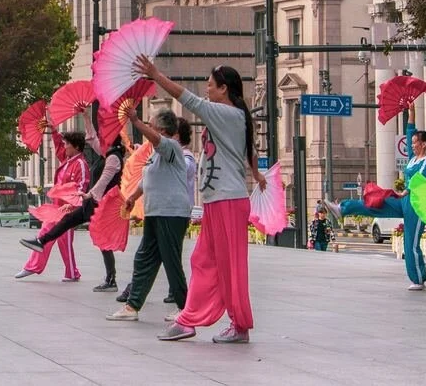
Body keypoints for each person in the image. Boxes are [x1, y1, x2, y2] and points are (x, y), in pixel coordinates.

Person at [135, 60, 265, 344]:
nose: (206, 88)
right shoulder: (231, 116)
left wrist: (156, 75)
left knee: (231, 267)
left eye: (210, 84)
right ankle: (190, 319)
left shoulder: (226, 113)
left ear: (223, 89)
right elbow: (250, 150)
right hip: (218, 200)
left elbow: (187, 98)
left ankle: (238, 325)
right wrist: (256, 174)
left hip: (229, 200)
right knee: (202, 259)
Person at [107, 108, 193, 322]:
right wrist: (133, 197)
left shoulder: (171, 148)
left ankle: (186, 307)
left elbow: (155, 139)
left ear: (162, 130)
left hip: (172, 212)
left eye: (151, 126)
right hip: (156, 212)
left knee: (171, 260)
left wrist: (136, 121)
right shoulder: (155, 155)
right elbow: (147, 180)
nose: (148, 130)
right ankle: (132, 306)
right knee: (144, 258)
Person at [22, 118, 125, 293]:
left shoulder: (113, 159)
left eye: (105, 136)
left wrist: (87, 195)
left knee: (102, 241)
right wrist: (85, 115)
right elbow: (91, 138)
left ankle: (110, 279)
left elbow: (103, 182)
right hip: (93, 202)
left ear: (110, 140)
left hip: (102, 204)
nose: (101, 139)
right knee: (68, 221)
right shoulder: (106, 153)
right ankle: (41, 241)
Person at [324, 130, 426, 290]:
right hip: (404, 201)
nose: (411, 145)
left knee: (410, 243)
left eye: (414, 142)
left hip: (418, 205)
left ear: (424, 144)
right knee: (376, 203)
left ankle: (418, 279)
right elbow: (410, 130)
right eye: (411, 143)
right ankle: (343, 209)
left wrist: (405, 191)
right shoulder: (413, 159)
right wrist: (411, 113)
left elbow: (420, 179)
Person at [16, 124, 90, 281]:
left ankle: (71, 273)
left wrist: (73, 204)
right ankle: (32, 267)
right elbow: (57, 144)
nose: (65, 146)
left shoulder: (81, 164)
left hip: (69, 210)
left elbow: (82, 187)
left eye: (67, 144)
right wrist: (54, 129)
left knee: (65, 242)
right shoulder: (67, 160)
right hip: (57, 208)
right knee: (45, 234)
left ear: (76, 147)